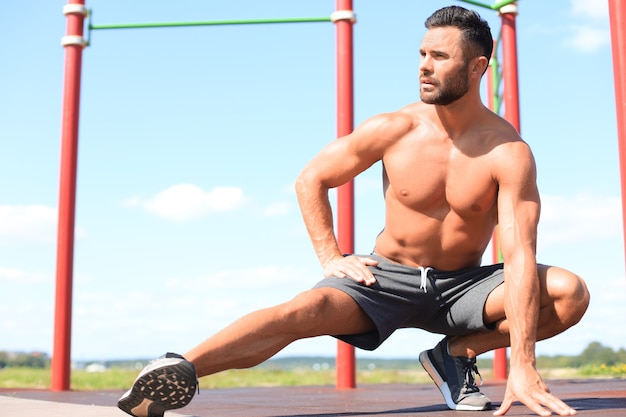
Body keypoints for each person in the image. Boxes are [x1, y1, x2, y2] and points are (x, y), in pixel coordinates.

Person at [118, 5, 590, 417]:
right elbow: (311, 179)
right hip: (384, 279)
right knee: (305, 309)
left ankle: (456, 354)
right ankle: (178, 370)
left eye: (439, 57)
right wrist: (331, 256)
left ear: (477, 67)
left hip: (464, 288)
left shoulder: (508, 151)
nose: (424, 67)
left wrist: (523, 364)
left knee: (569, 293)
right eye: (422, 55)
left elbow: (521, 253)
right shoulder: (393, 128)